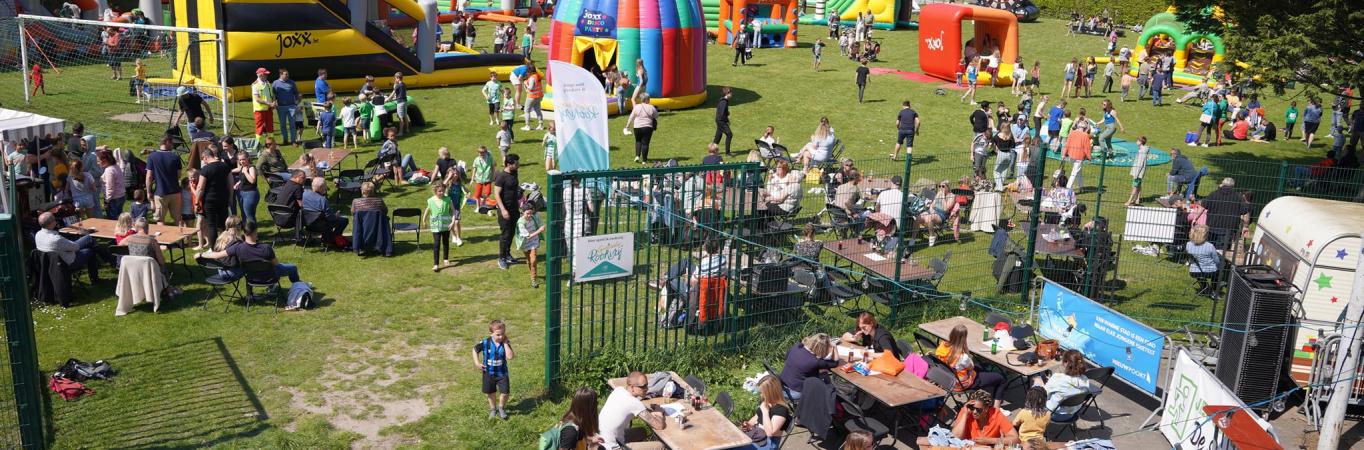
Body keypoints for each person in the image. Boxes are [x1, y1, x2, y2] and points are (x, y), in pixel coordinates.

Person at [936, 324, 1007, 408]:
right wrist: (966, 349)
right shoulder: (962, 357)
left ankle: (975, 398)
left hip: (947, 379)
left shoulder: (942, 346)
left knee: (980, 367)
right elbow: (971, 366)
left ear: (952, 334)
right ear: (964, 339)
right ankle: (996, 408)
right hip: (960, 384)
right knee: (1001, 378)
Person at [598, 371, 667, 450]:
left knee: (642, 431)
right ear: (632, 387)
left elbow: (631, 405)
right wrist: (659, 413)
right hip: (613, 447)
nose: (647, 389)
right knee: (660, 446)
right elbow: (659, 426)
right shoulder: (634, 403)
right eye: (643, 386)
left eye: (647, 385)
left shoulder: (618, 390)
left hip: (602, 440)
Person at [472, 319, 515, 420]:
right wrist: (477, 363)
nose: (501, 337)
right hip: (488, 373)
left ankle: (501, 408)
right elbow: (474, 350)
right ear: (491, 333)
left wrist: (505, 344)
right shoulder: (485, 342)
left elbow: (510, 356)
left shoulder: (505, 343)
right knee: (490, 392)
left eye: (503, 334)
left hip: (502, 373)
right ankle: (493, 409)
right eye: (498, 335)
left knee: (505, 392)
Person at [779, 333, 837, 401]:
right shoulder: (815, 361)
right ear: (822, 349)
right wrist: (835, 347)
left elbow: (786, 358)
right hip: (796, 391)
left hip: (782, 384)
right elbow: (835, 363)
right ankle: (827, 399)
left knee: (821, 372)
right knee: (825, 375)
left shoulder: (797, 346)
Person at [1041, 350, 1101, 414]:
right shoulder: (1085, 379)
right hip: (1072, 413)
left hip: (1053, 413)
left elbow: (1043, 395)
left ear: (1066, 362)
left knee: (1038, 385)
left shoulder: (1057, 378)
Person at [740, 376, 791, 450]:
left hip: (767, 442)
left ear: (771, 393)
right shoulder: (765, 401)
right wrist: (748, 424)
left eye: (762, 392)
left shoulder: (781, 409)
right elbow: (757, 416)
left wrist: (765, 411)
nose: (761, 395)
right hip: (757, 434)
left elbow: (770, 433)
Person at [196, 146, 233, 245]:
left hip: (209, 200)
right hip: (223, 198)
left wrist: (197, 202)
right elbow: (230, 183)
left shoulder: (205, 169)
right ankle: (225, 245)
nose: (203, 161)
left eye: (203, 158)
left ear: (206, 157)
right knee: (223, 224)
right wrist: (230, 197)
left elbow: (200, 187)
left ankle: (213, 248)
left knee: (212, 225)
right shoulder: (225, 166)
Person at [1201, 177, 1249, 250]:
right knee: (1222, 251)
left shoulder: (1213, 194)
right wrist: (1245, 226)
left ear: (1222, 184)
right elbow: (1245, 212)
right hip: (1228, 229)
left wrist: (1196, 218)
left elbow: (1203, 206)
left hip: (1212, 227)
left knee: (1209, 248)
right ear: (1233, 186)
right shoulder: (1238, 197)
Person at [493, 154, 523, 269]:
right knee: (505, 234)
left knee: (512, 233)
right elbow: (496, 194)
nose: (518, 165)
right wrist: (503, 210)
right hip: (504, 210)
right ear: (509, 164)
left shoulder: (515, 172)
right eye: (516, 163)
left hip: (514, 208)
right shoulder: (501, 177)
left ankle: (507, 253)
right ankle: (501, 258)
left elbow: (514, 188)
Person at [145, 138, 183, 225]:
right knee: (178, 219)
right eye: (172, 143)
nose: (173, 145)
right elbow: (179, 175)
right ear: (167, 142)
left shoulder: (152, 157)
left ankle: (161, 234)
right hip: (175, 192)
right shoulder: (175, 157)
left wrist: (148, 192)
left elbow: (149, 176)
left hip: (160, 192)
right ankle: (181, 234)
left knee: (160, 220)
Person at [302, 177, 348, 243]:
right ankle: (333, 239)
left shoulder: (304, 194)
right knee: (344, 220)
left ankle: (328, 238)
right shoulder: (322, 200)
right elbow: (330, 218)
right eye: (325, 186)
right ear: (321, 188)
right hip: (321, 226)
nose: (326, 188)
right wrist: (336, 216)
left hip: (307, 224)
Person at [515, 205, 545, 287]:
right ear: (522, 212)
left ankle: (533, 280)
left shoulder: (533, 217)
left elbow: (541, 223)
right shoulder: (520, 223)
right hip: (525, 242)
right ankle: (532, 273)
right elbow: (528, 236)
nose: (529, 215)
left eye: (531, 213)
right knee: (529, 260)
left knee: (533, 260)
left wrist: (542, 226)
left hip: (534, 241)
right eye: (527, 213)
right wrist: (540, 230)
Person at [1186, 224, 1221, 297]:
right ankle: (1214, 291)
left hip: (1194, 271)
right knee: (1217, 273)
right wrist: (1219, 266)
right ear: (1205, 235)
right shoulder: (1210, 246)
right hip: (1210, 271)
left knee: (1200, 273)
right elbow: (1216, 261)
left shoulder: (1188, 244)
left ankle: (1205, 287)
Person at [272, 69, 301, 146]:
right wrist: (274, 102)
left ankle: (293, 141)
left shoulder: (292, 82)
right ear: (281, 75)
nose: (287, 75)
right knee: (282, 125)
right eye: (286, 74)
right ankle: (285, 140)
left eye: (288, 74)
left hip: (291, 107)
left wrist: (297, 103)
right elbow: (274, 94)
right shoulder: (275, 83)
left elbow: (297, 93)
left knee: (292, 125)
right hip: (281, 107)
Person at [627, 94, 658, 163]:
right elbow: (656, 116)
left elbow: (631, 117)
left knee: (638, 141)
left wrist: (627, 126)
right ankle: (644, 160)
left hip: (637, 127)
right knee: (645, 143)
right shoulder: (651, 107)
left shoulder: (636, 107)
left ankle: (637, 156)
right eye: (649, 99)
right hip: (647, 127)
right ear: (646, 100)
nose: (649, 100)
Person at [251, 68, 277, 143]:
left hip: (268, 109)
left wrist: (274, 102)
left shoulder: (268, 83)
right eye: (265, 74)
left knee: (270, 126)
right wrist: (269, 103)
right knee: (260, 127)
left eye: (266, 74)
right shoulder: (255, 85)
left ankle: (271, 142)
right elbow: (257, 99)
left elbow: (272, 95)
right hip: (259, 110)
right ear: (260, 75)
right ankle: (257, 143)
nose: (267, 75)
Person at [98, 150, 126, 220]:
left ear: (104, 160)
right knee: (119, 217)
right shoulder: (116, 166)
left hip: (113, 199)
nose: (98, 163)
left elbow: (110, 188)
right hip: (121, 196)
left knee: (112, 219)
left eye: (99, 161)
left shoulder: (109, 171)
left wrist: (106, 201)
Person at [1123, 136, 1150, 206]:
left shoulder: (1142, 151)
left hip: (1138, 172)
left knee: (1134, 186)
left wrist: (1136, 174)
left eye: (1137, 140)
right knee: (1138, 185)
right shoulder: (1142, 150)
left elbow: (1140, 164)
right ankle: (1137, 199)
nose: (1136, 142)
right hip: (1139, 172)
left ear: (1140, 142)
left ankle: (1129, 201)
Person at [521, 65, 545, 131]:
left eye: (528, 71)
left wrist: (526, 84)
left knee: (526, 110)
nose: (527, 73)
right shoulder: (538, 76)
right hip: (539, 96)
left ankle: (527, 126)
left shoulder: (532, 78)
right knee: (538, 110)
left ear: (530, 71)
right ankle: (541, 125)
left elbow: (531, 88)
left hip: (532, 96)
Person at [713, 87, 734, 156]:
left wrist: (727, 113)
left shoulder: (724, 101)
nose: (732, 94)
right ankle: (727, 153)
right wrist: (726, 120)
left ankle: (712, 150)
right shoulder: (724, 102)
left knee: (718, 135)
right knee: (729, 134)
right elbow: (722, 113)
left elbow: (723, 111)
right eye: (731, 93)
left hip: (719, 120)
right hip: (721, 121)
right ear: (727, 93)